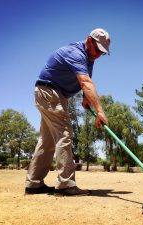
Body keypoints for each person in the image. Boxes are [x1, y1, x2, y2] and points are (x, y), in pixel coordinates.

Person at [25, 28, 110, 196]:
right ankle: (66, 185)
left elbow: (85, 84)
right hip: (50, 92)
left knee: (47, 140)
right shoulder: (75, 53)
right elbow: (85, 82)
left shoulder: (89, 58)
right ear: (88, 40)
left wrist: (87, 100)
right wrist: (99, 111)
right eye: (97, 49)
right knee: (64, 133)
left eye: (102, 52)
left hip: (51, 94)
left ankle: (34, 184)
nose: (99, 54)